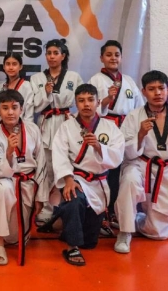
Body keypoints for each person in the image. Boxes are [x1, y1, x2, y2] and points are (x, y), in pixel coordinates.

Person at [114, 71, 168, 253]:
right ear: (143, 92)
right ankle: (125, 231)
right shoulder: (134, 116)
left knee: (158, 234)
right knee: (128, 180)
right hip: (139, 164)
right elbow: (125, 151)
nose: (157, 93)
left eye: (161, 88)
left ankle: (139, 220)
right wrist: (140, 134)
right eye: (152, 89)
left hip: (167, 169)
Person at [51, 84, 124, 266]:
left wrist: (99, 147)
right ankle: (72, 247)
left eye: (90, 100)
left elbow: (117, 157)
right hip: (76, 177)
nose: (86, 104)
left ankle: (61, 224)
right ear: (76, 103)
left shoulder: (110, 128)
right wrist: (68, 179)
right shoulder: (66, 127)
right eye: (81, 101)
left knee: (90, 242)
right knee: (73, 197)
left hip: (98, 183)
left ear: (98, 102)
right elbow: (59, 154)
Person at [88, 40, 143, 234]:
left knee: (123, 171)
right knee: (107, 171)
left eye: (116, 54)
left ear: (121, 57)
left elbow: (139, 108)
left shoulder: (129, 81)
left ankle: (119, 212)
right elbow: (88, 108)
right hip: (106, 128)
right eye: (109, 54)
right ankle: (104, 213)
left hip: (126, 128)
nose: (113, 58)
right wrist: (106, 100)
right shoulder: (95, 80)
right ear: (101, 58)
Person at [0, 90, 47, 266]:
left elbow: (42, 163)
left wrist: (41, 196)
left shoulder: (33, 129)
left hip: (28, 184)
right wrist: (8, 152)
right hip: (5, 179)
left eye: (14, 107)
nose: (10, 112)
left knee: (14, 239)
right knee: (3, 188)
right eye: (5, 108)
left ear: (21, 109)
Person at [31, 39, 83, 223]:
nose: (51, 56)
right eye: (49, 53)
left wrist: (77, 121)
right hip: (45, 122)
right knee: (45, 168)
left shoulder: (74, 77)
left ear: (63, 55)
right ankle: (45, 208)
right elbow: (35, 107)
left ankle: (63, 207)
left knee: (65, 165)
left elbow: (82, 102)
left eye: (55, 53)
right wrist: (45, 93)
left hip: (66, 122)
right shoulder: (37, 78)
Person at [0, 52, 35, 122]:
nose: (11, 67)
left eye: (14, 64)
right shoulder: (1, 87)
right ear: (3, 67)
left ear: (21, 66)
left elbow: (29, 113)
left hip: (20, 127)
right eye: (8, 64)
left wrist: (24, 130)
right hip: (3, 127)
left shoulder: (26, 86)